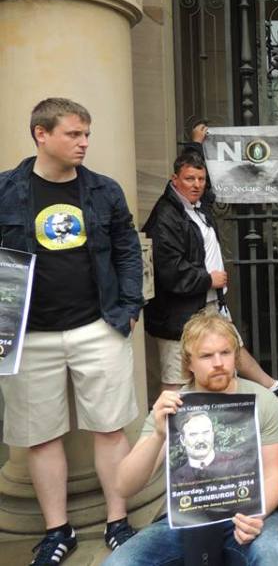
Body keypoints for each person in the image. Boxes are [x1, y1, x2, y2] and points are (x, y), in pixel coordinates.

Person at [0, 98, 144, 563]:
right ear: (41, 134)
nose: (84, 143)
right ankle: (57, 531)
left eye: (87, 134)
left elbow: (126, 248)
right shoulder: (5, 191)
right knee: (40, 436)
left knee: (110, 429)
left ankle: (117, 520)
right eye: (73, 134)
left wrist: (130, 306)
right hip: (28, 335)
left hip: (98, 326)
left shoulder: (104, 190)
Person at [105, 312, 278, 566]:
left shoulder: (263, 400)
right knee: (119, 563)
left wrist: (256, 515)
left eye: (225, 353)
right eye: (206, 355)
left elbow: (273, 475)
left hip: (249, 512)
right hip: (186, 518)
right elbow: (124, 486)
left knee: (274, 557)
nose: (218, 362)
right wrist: (159, 434)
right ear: (188, 363)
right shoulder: (173, 406)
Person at [143, 148, 278, 399]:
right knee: (177, 378)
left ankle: (271, 387)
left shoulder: (197, 206)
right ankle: (168, 432)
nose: (196, 185)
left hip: (209, 301)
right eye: (189, 179)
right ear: (175, 180)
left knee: (231, 347)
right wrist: (208, 279)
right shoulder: (165, 217)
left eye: (201, 179)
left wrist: (195, 144)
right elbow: (169, 272)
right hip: (177, 314)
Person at [169, 410, 240, 485]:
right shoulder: (175, 479)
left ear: (213, 435)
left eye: (206, 433)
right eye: (193, 434)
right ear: (183, 440)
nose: (200, 440)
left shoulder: (234, 465)